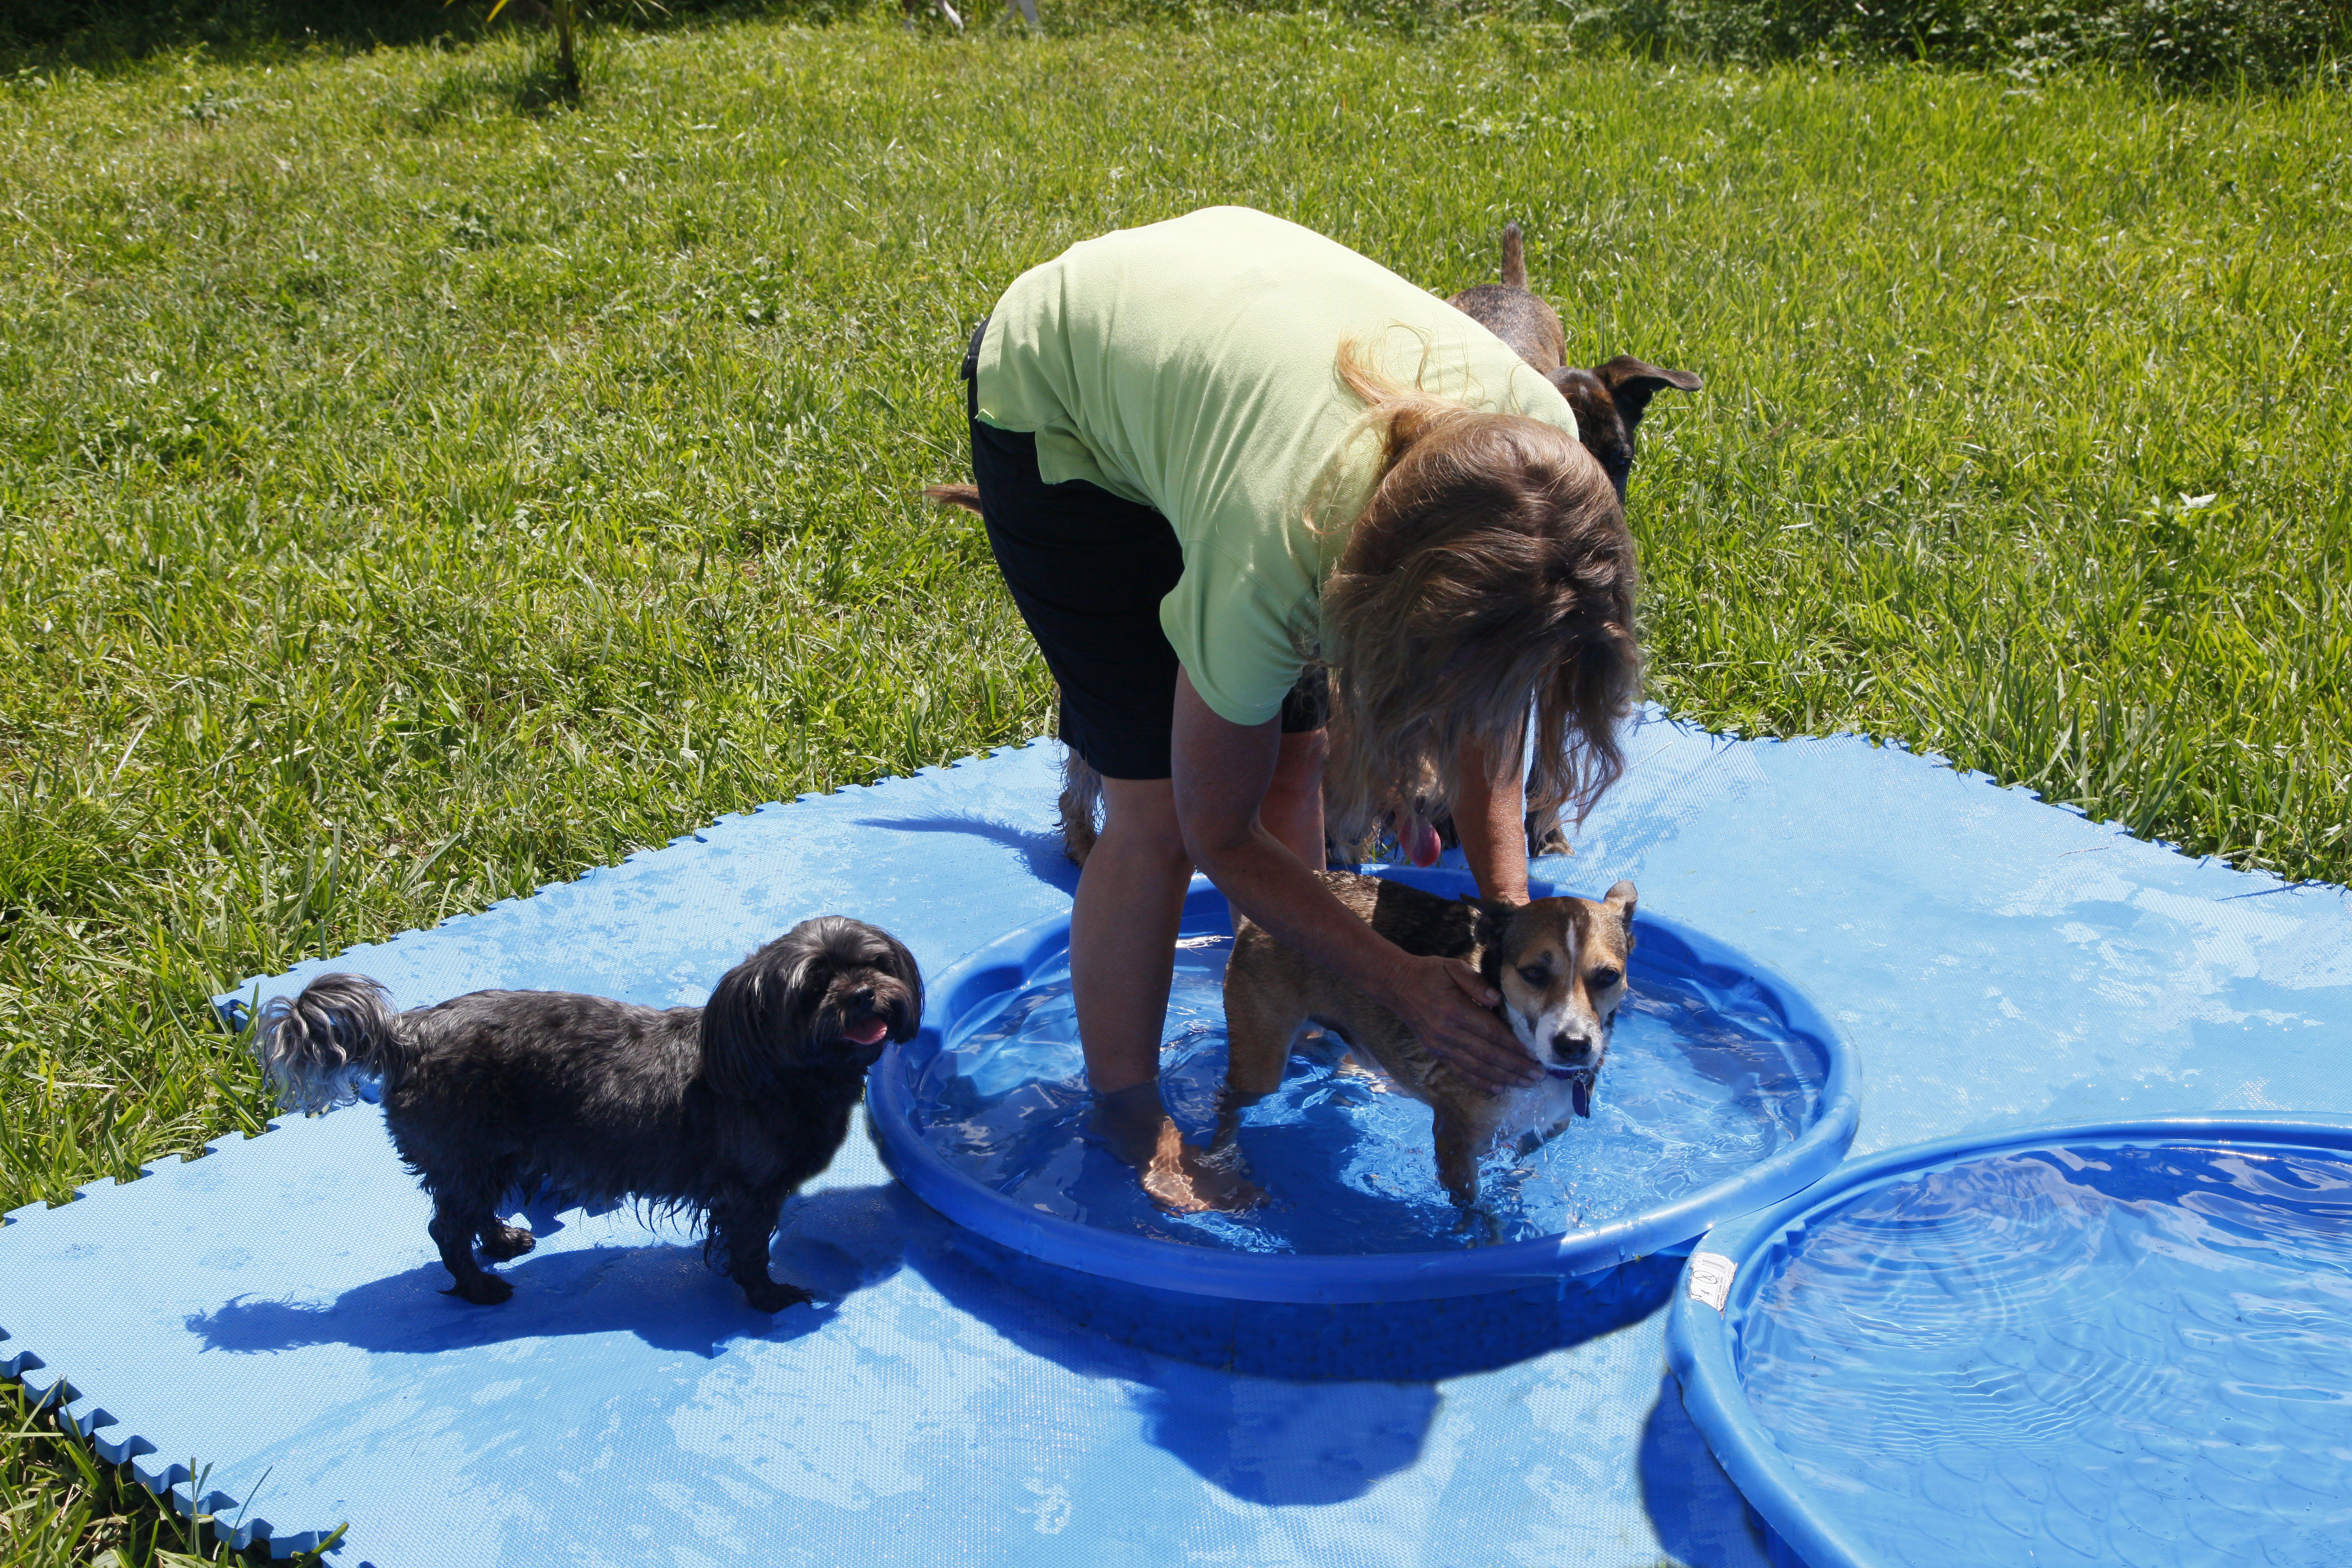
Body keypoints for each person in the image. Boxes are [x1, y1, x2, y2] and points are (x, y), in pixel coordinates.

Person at [939, 206, 1640, 1208]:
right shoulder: (1274, 549)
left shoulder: (1540, 464)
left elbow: (1490, 714)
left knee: (1297, 755)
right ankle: (1136, 1118)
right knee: (1153, 811)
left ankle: (1295, 996)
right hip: (1067, 387)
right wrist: (1400, 988)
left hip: (1245, 361)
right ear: (1392, 600)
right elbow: (1214, 832)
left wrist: (1508, 929)